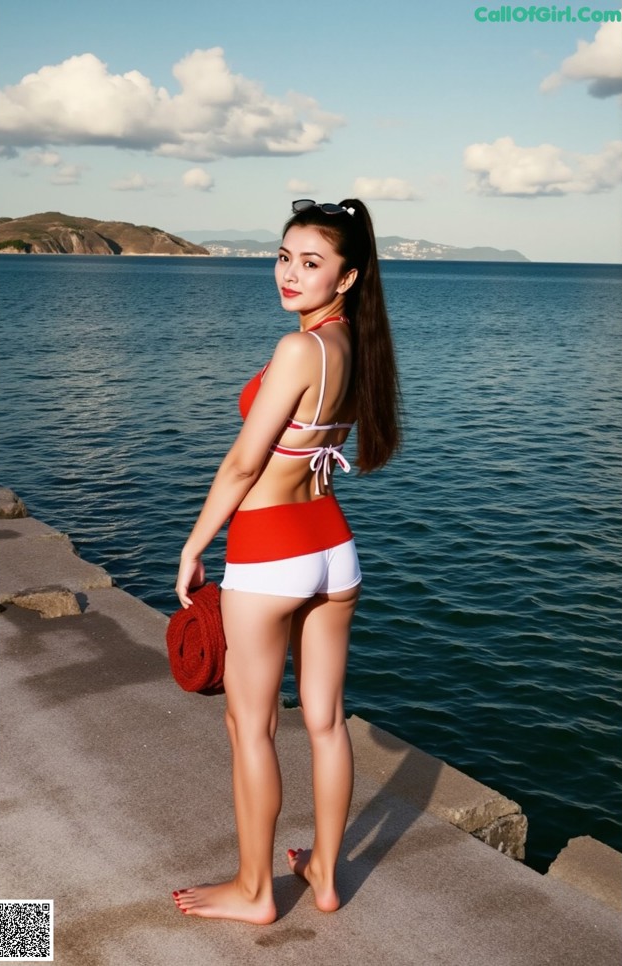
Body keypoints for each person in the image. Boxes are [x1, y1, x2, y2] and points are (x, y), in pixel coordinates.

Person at [172, 198, 401, 924]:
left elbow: (244, 465)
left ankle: (255, 890)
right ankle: (326, 877)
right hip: (334, 549)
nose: (290, 273)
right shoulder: (356, 346)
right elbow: (312, 454)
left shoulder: (298, 349)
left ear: (347, 276)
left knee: (253, 727)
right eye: (284, 256)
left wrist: (194, 542)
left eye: (311, 262)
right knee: (327, 722)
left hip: (271, 553)